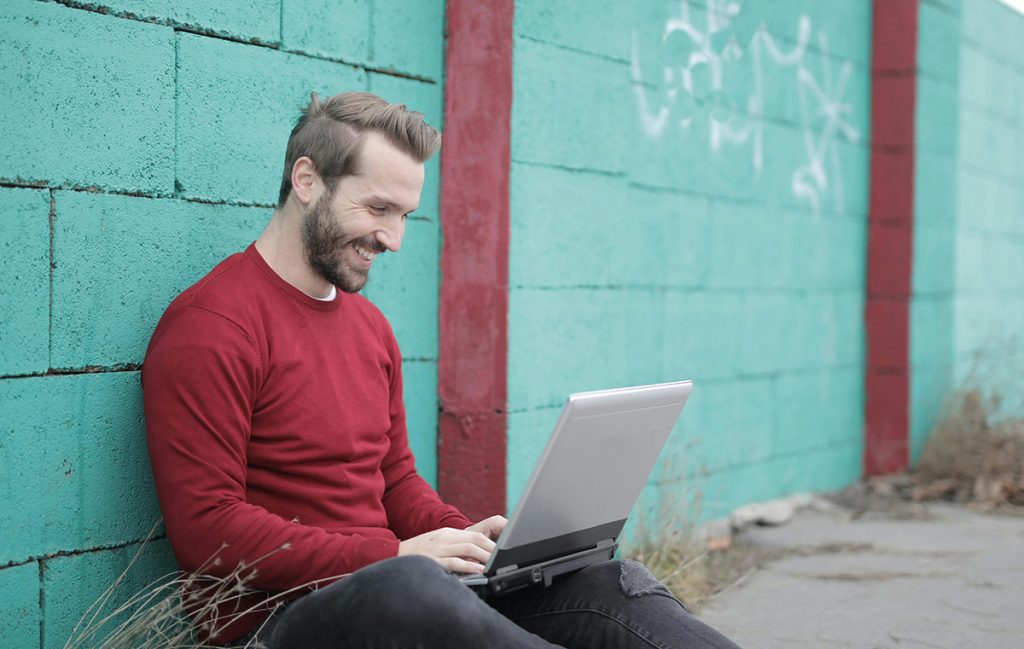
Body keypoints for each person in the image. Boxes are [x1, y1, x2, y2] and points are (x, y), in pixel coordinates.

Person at [143, 91, 742, 648]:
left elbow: (396, 481)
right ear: (306, 180)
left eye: (405, 215)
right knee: (413, 589)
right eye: (378, 208)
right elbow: (206, 527)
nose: (394, 239)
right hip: (280, 622)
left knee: (611, 585)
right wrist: (395, 554)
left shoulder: (368, 327)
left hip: (402, 586)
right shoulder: (214, 326)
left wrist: (469, 541)